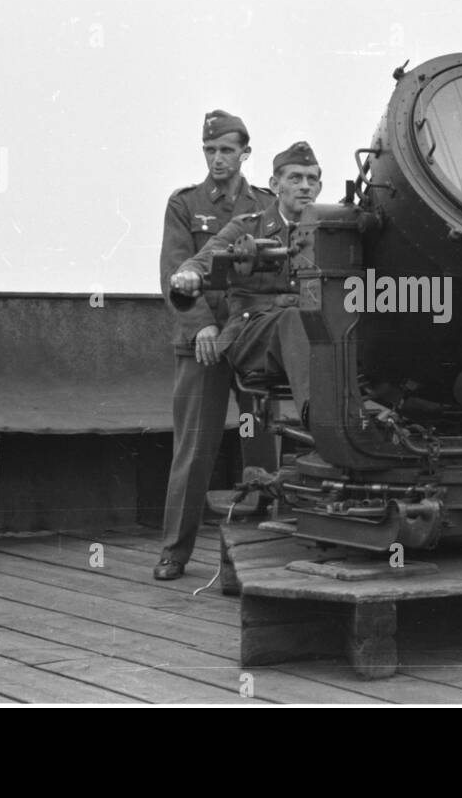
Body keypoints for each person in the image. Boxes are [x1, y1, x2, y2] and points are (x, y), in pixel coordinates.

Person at [155, 110, 276, 582]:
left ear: (246, 152)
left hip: (250, 344)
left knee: (262, 446)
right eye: (211, 150)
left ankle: (268, 547)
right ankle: (174, 552)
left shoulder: (264, 205)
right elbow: (175, 272)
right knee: (194, 450)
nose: (218, 158)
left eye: (228, 150)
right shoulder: (184, 205)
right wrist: (202, 325)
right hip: (202, 348)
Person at [171, 141, 322, 423]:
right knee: (294, 318)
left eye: (312, 179)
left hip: (303, 338)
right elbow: (201, 261)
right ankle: (321, 418)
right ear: (275, 184)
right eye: (295, 178)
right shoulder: (247, 227)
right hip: (252, 335)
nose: (305, 186)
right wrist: (189, 275)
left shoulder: (328, 232)